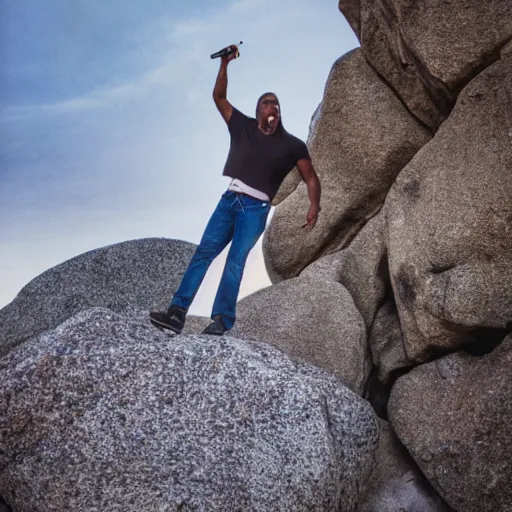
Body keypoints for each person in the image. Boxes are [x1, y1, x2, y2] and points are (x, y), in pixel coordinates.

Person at [150, 45, 321, 336]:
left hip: (255, 211)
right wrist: (225, 64)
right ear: (258, 111)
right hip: (229, 202)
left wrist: (313, 206)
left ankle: (221, 321)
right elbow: (219, 97)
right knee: (203, 254)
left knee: (235, 262)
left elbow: (311, 179)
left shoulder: (293, 145)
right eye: (267, 103)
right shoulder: (242, 127)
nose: (273, 107)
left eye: (276, 104)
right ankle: (177, 314)